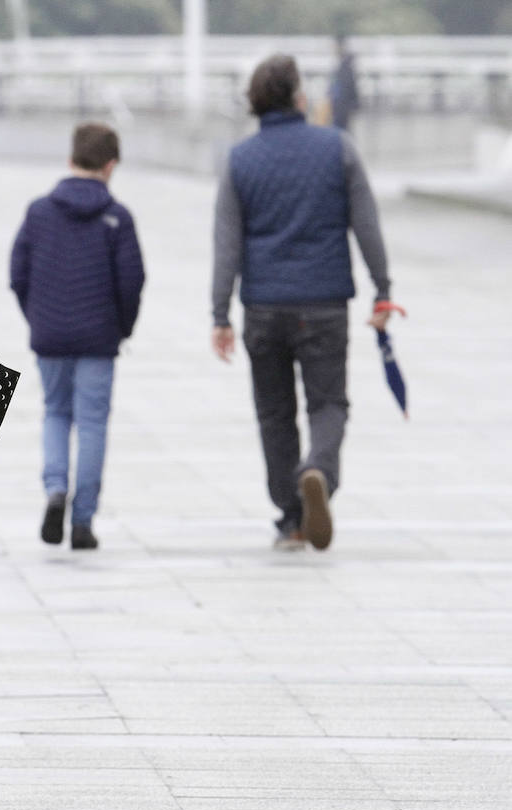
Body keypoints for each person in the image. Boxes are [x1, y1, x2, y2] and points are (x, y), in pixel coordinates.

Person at [212, 54, 394, 552]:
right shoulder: (337, 148)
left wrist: (219, 314)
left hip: (263, 308)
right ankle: (318, 470)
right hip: (325, 304)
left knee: (274, 414)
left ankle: (291, 516)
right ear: (297, 96)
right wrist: (382, 290)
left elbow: (227, 245)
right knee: (329, 403)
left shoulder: (240, 159)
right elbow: (367, 225)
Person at [10, 123, 145, 550]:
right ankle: (83, 521)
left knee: (55, 413)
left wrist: (38, 319)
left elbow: (18, 274)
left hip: (50, 336)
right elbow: (132, 281)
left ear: (71, 160)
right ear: (111, 165)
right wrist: (121, 328)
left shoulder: (39, 211)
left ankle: (55, 489)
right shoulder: (117, 217)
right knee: (91, 423)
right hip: (98, 339)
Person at [328, 35, 361, 132]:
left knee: (341, 131)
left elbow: (347, 86)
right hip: (340, 105)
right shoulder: (344, 63)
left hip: (342, 105)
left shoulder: (345, 65)